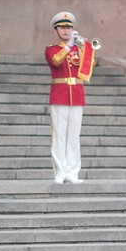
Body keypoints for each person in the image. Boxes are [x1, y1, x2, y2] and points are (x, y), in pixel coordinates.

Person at [45, 11, 94, 184]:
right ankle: (60, 171)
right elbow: (55, 61)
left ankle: (73, 172)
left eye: (69, 27)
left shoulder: (78, 48)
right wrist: (68, 47)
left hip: (77, 94)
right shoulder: (52, 49)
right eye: (63, 27)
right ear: (56, 30)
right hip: (60, 94)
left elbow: (90, 65)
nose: (66, 31)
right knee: (59, 135)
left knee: (74, 136)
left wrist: (81, 48)